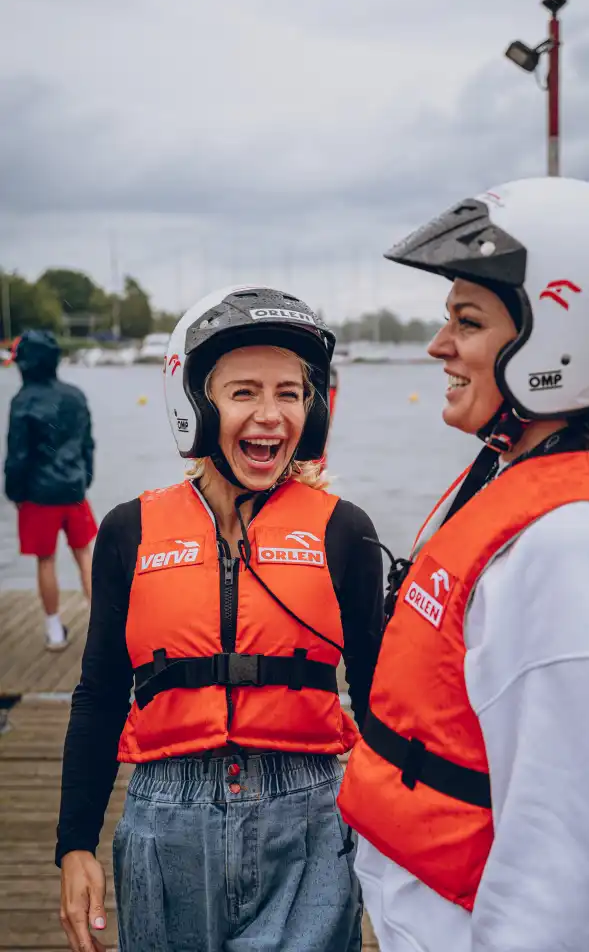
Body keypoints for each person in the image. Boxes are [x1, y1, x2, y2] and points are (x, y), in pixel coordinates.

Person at [338, 177, 589, 952]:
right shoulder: (515, 474)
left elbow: (559, 860)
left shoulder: (570, 543)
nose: (439, 346)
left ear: (559, 338)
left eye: (467, 321)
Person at [56, 285, 384, 952]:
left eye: (290, 393)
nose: (271, 416)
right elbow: (98, 696)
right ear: (196, 406)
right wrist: (74, 844)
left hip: (313, 819)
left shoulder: (344, 532)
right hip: (165, 817)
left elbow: (380, 701)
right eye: (244, 393)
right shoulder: (129, 531)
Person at [3, 329, 97, 651]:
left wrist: (14, 492)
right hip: (74, 490)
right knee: (85, 556)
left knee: (46, 560)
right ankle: (103, 629)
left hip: (38, 495)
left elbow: (17, 455)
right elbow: (87, 444)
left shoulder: (22, 402)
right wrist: (85, 480)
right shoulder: (75, 395)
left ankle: (55, 631)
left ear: (26, 363)